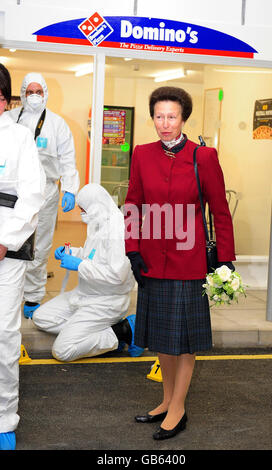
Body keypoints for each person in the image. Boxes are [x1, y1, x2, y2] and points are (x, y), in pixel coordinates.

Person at [124, 86, 235, 441]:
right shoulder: (141, 154)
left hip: (190, 263)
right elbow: (133, 205)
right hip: (152, 262)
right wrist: (132, 250)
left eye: (171, 116)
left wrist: (226, 260)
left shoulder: (203, 156)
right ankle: (167, 400)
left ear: (183, 118)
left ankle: (178, 409)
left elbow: (219, 210)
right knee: (162, 338)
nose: (164, 124)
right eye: (159, 116)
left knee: (183, 341)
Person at [32, 183, 144, 362]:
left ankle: (123, 332)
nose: (81, 213)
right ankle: (88, 332)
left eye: (83, 209)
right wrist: (72, 253)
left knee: (63, 350)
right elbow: (92, 255)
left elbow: (117, 275)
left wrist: (79, 265)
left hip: (105, 302)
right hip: (85, 294)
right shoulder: (99, 222)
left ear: (95, 205)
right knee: (40, 318)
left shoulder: (118, 231)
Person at [8, 73, 80, 318]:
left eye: (39, 91)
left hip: (45, 193)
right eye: (30, 91)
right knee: (9, 242)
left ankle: (32, 298)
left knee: (39, 247)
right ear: (22, 93)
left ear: (46, 93)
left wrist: (70, 189)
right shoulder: (9, 119)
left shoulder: (57, 124)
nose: (35, 96)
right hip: (11, 193)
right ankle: (8, 293)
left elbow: (68, 160)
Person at [0, 64, 46, 450]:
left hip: (6, 249)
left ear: (4, 99)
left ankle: (3, 417)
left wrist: (5, 241)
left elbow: (32, 195)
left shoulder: (19, 138)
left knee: (2, 333)